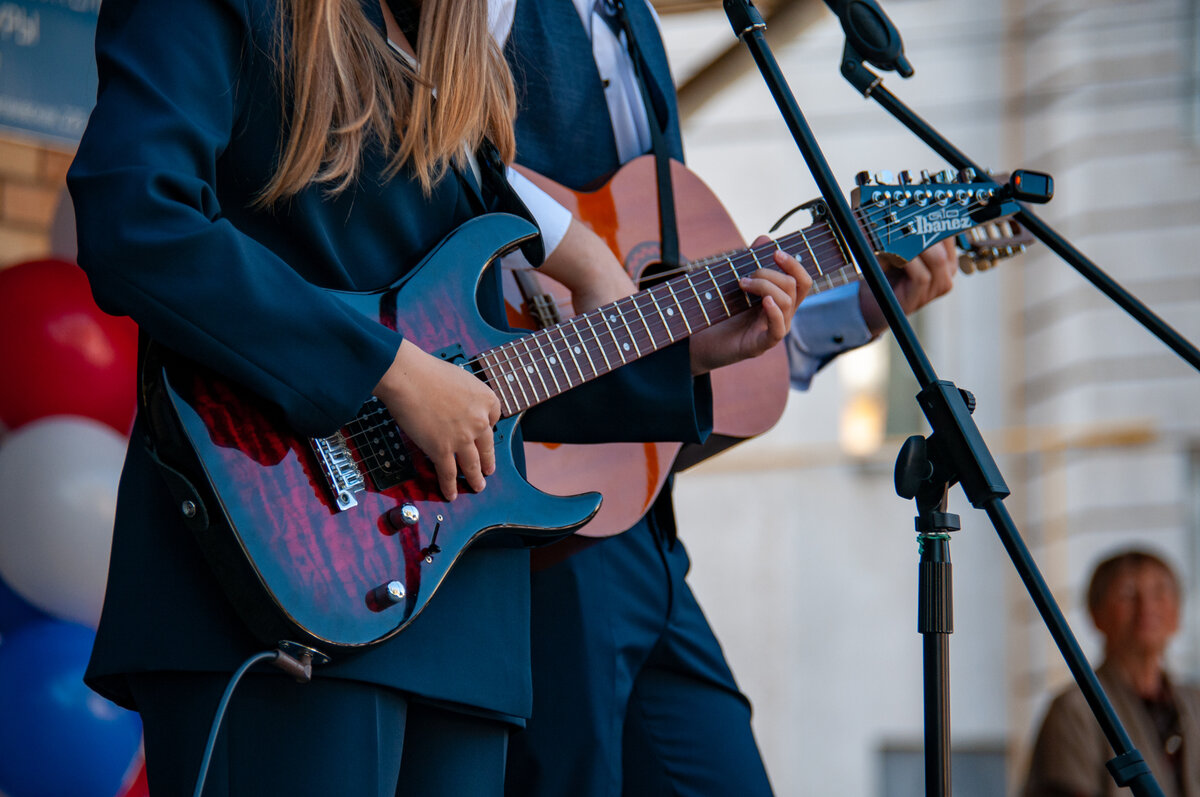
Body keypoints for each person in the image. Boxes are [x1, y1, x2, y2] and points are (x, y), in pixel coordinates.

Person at [67, 0, 808, 794]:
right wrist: (386, 367)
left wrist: (681, 354)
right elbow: (136, 220)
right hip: (275, 567)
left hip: (464, 612)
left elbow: (480, 378)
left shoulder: (454, 66)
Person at [497, 1, 958, 795]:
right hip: (534, 498)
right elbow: (424, 152)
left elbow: (680, 327)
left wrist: (852, 312)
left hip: (643, 525)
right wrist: (588, 270)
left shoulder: (636, 23)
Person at [1024, 550, 1200, 797]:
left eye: (1160, 592)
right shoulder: (1076, 710)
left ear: (1177, 614)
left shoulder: (1194, 703)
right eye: (1128, 594)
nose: (1146, 607)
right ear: (1096, 614)